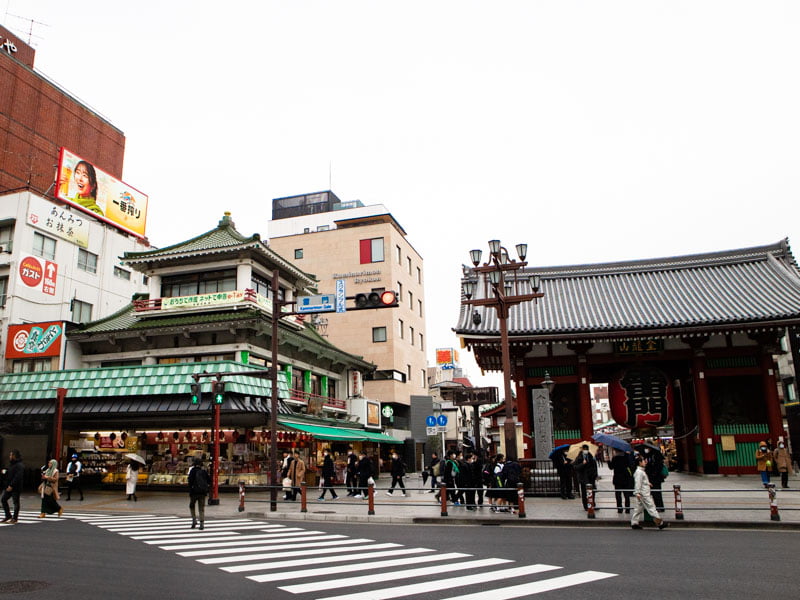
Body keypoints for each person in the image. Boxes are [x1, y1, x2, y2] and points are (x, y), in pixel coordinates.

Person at [631, 455, 668, 530]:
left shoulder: (640, 471)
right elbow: (638, 483)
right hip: (644, 494)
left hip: (642, 493)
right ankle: (660, 523)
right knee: (651, 508)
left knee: (638, 508)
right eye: (643, 461)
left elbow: (641, 481)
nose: (645, 462)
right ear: (640, 462)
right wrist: (637, 492)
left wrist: (647, 483)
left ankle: (634, 523)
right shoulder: (639, 472)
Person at [573, 444, 599, 511]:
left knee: (592, 491)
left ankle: (592, 504)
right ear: (582, 450)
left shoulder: (591, 456)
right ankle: (586, 506)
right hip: (583, 478)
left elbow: (594, 466)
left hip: (591, 477)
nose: (585, 450)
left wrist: (595, 475)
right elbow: (575, 467)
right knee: (584, 492)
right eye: (584, 449)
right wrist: (583, 464)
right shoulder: (579, 458)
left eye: (586, 449)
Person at [609, 449, 635, 513]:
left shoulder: (615, 458)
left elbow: (611, 467)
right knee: (626, 495)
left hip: (617, 479)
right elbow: (631, 466)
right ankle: (627, 509)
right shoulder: (627, 457)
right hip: (626, 478)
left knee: (618, 495)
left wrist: (608, 461)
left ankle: (620, 509)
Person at [1, 450, 24, 524]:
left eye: (11, 455)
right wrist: (5, 472)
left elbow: (18, 477)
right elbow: (10, 474)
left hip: (15, 487)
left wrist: (11, 485)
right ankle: (8, 515)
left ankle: (15, 518)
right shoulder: (12, 464)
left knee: (16, 502)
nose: (9, 456)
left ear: (14, 456)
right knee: (3, 499)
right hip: (8, 486)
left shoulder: (20, 465)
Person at [188, 457, 210, 529]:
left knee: (192, 506)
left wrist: (190, 490)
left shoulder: (192, 471)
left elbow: (190, 482)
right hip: (202, 492)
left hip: (194, 492)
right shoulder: (203, 471)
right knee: (201, 508)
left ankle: (194, 519)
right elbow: (209, 480)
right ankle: (202, 523)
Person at [643, 445, 666, 510]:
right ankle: (657, 506)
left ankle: (660, 507)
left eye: (647, 448)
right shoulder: (649, 455)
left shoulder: (656, 455)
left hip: (656, 477)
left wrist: (654, 473)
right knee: (653, 492)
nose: (646, 449)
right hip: (651, 477)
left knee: (657, 492)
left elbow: (659, 466)